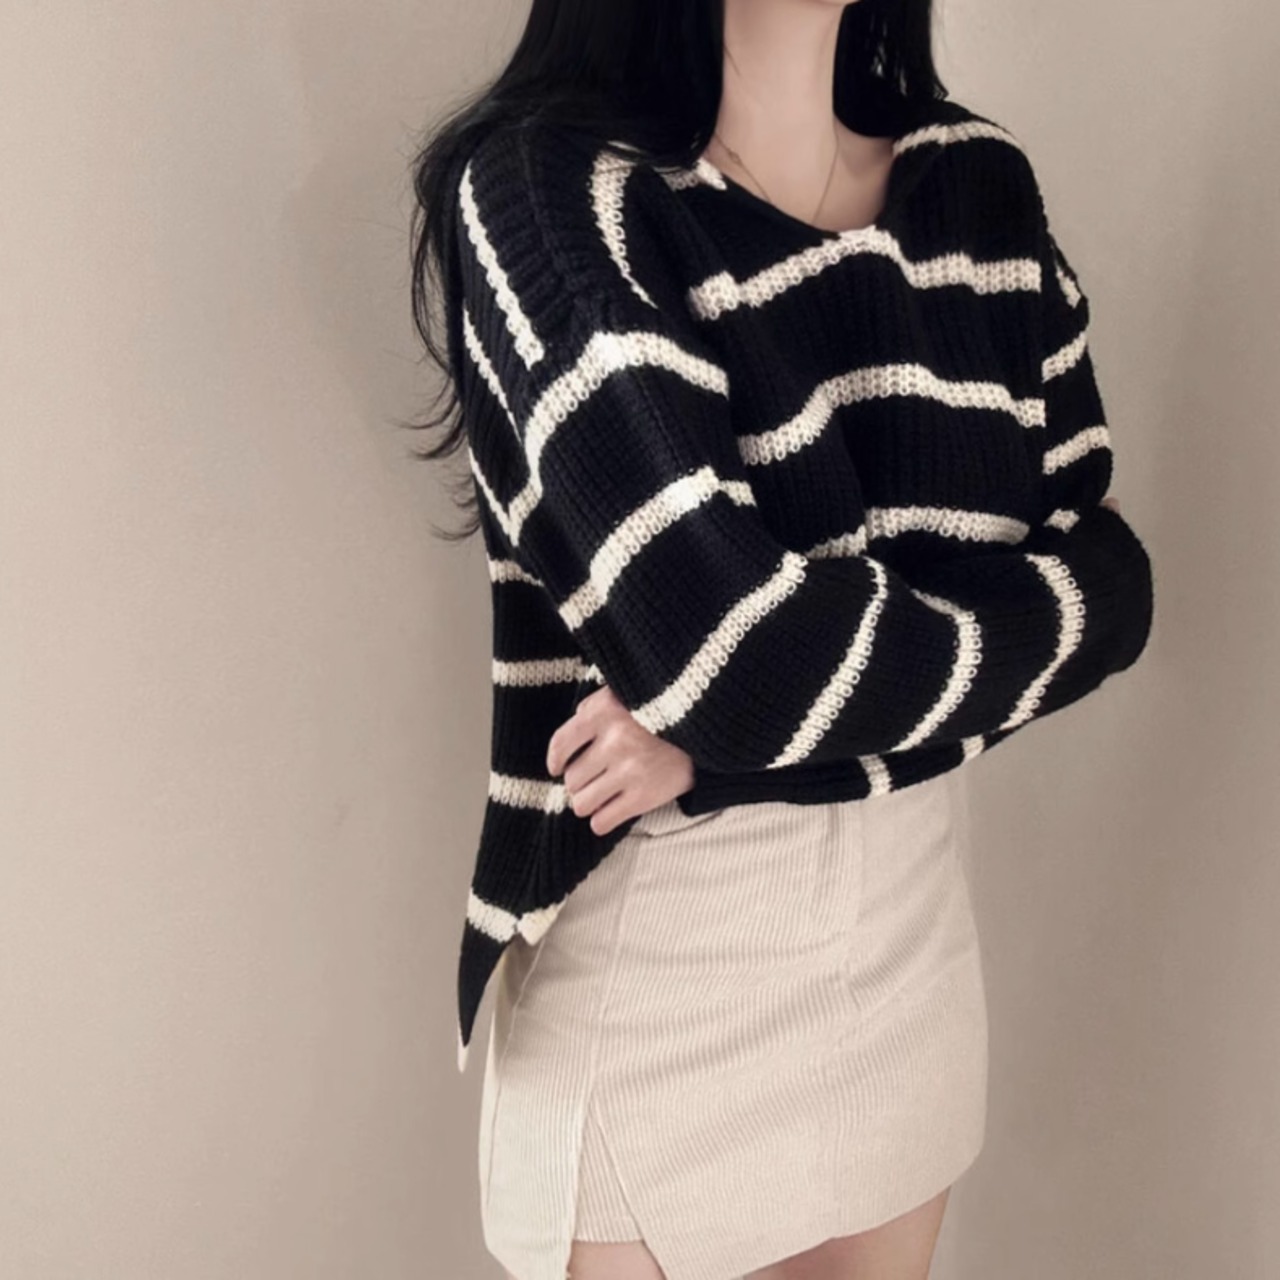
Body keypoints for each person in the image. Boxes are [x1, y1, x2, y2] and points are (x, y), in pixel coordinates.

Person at [406, 1, 1152, 1278]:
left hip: (905, 948)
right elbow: (733, 654)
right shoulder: (548, 195)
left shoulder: (978, 190)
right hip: (666, 970)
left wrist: (725, 751)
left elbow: (1111, 590)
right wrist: (745, 701)